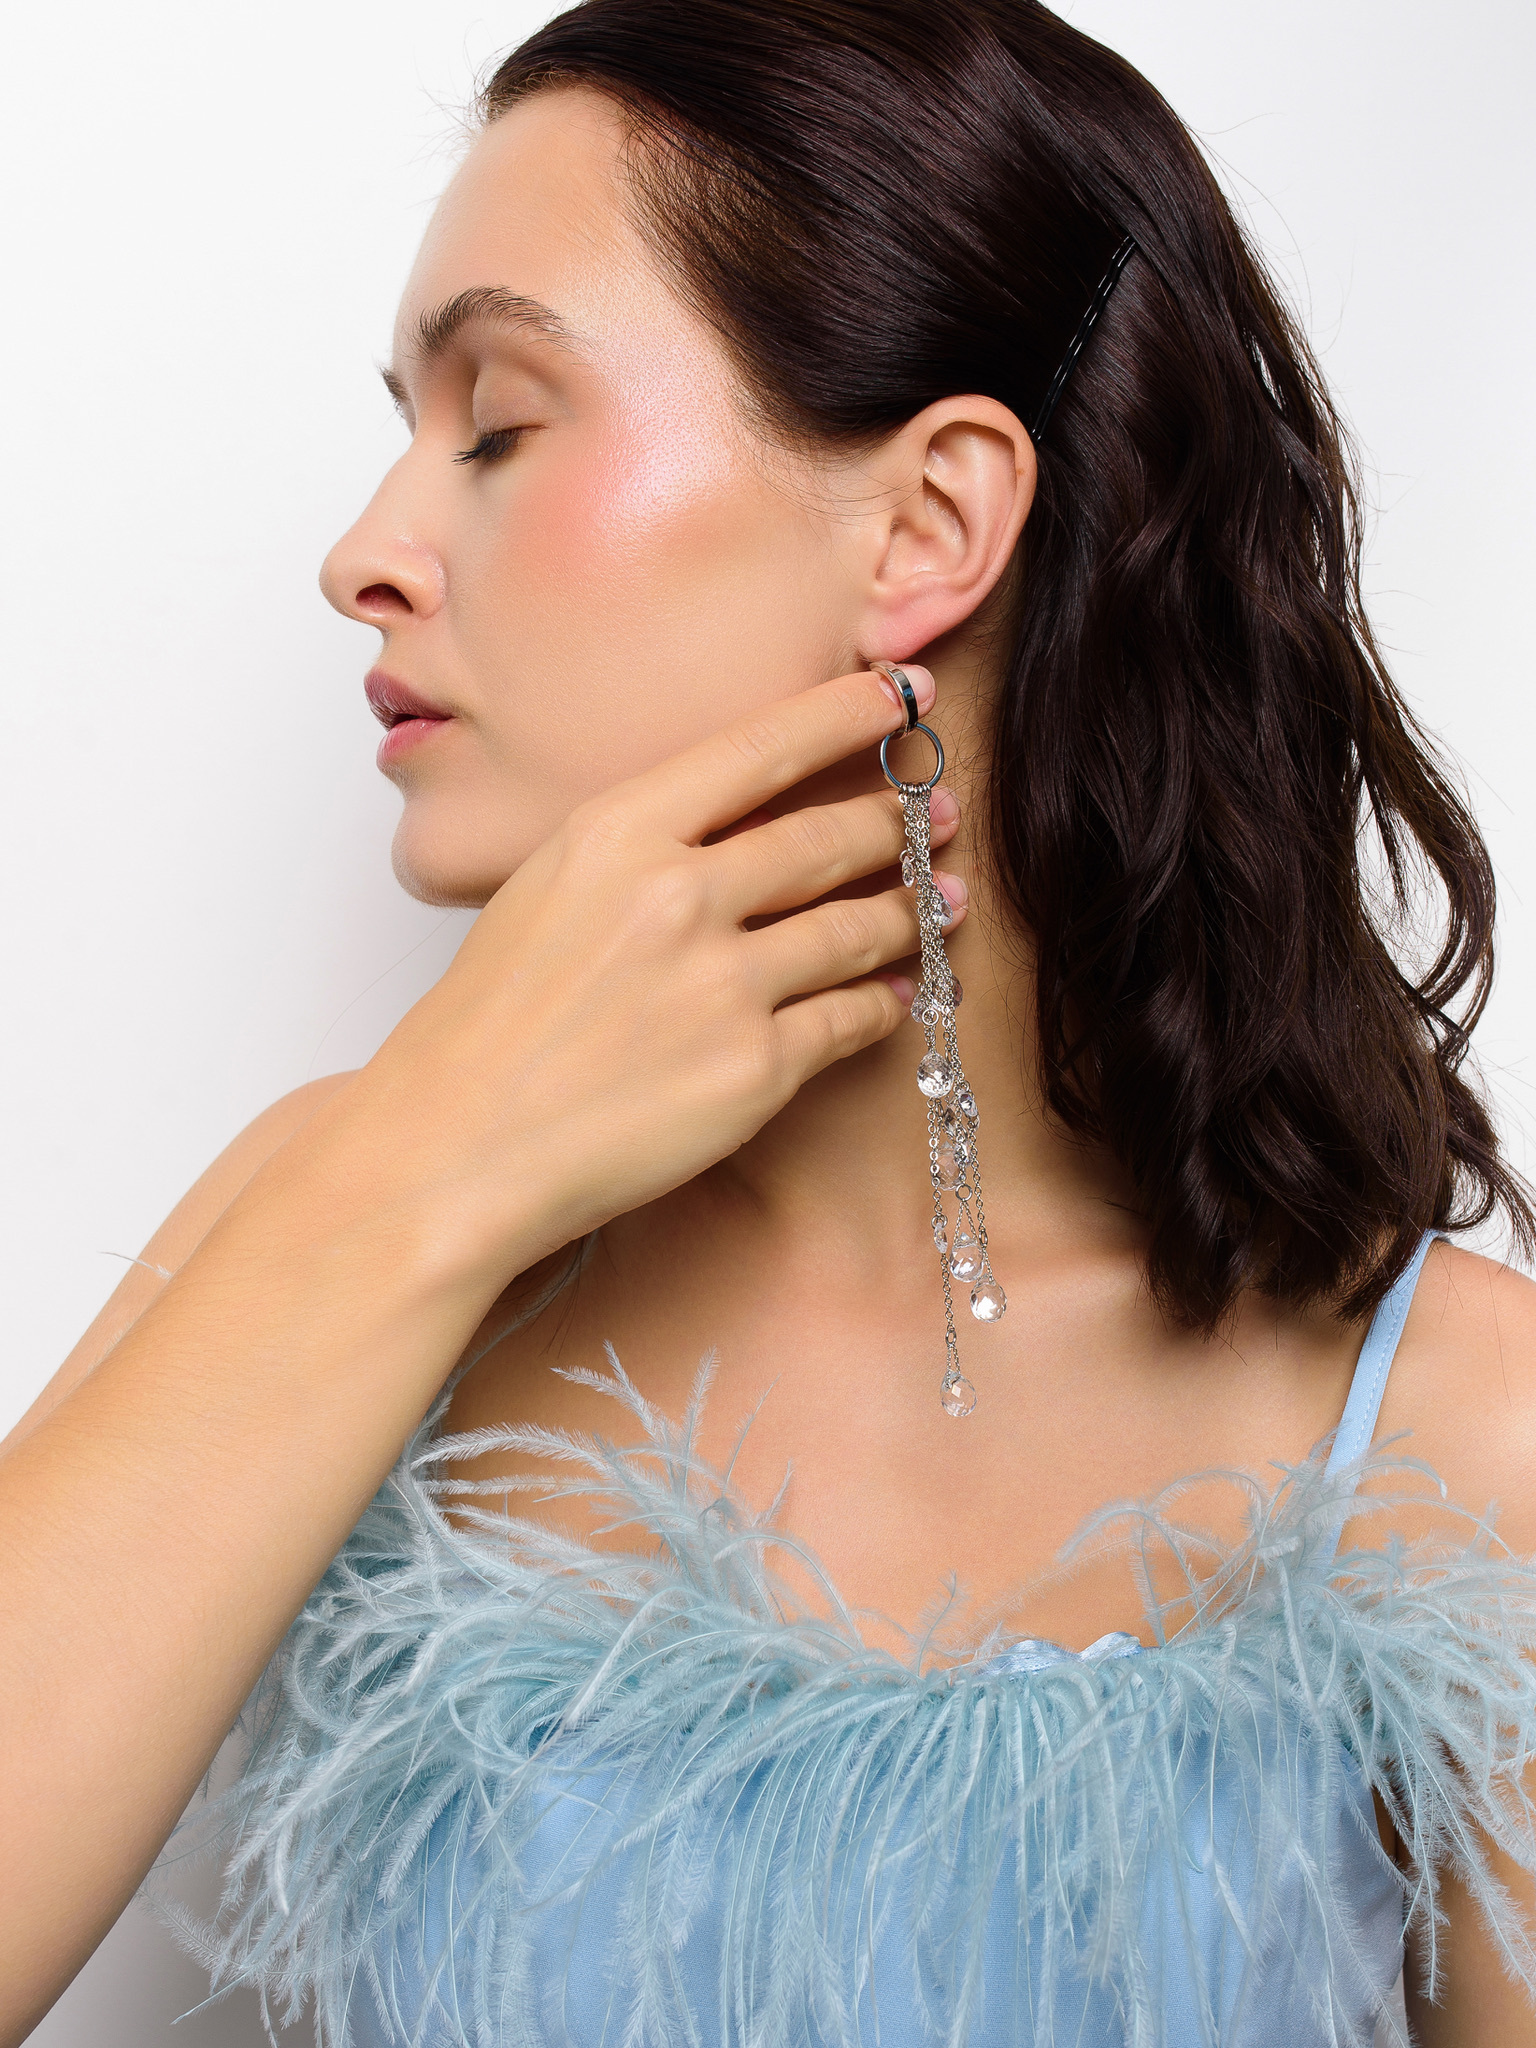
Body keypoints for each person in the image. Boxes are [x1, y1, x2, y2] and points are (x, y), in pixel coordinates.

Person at [5, 0, 1536, 2041]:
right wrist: (434, 1162)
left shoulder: (1460, 1432)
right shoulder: (349, 1211)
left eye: (497, 424)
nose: (364, 555)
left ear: (928, 527)